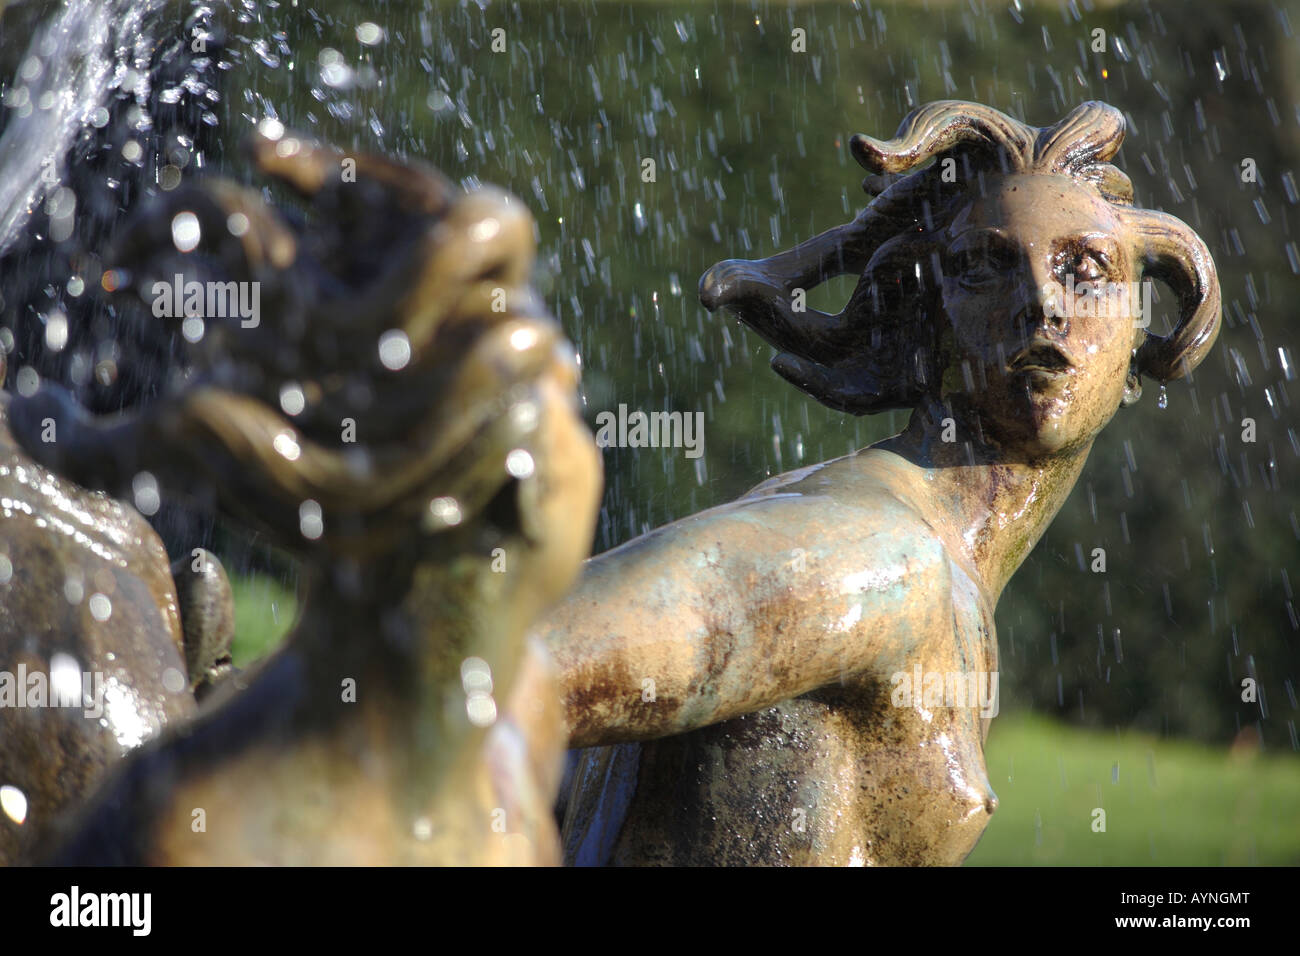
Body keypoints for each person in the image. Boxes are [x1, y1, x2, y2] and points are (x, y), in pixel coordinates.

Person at [543, 100, 1221, 865]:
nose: (1042, 303)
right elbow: (524, 661)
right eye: (982, 267)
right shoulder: (879, 553)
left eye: (1085, 268)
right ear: (924, 314)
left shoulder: (933, 565)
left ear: (1141, 331)